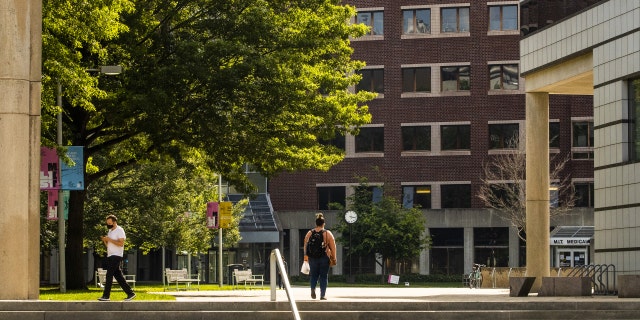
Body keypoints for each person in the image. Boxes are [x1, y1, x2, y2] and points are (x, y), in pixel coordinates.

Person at [98, 214, 136, 301]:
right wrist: (105, 240)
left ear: (114, 222)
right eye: (107, 223)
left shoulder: (120, 230)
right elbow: (108, 245)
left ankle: (106, 296)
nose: (108, 224)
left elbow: (121, 244)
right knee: (119, 276)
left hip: (117, 255)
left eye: (109, 223)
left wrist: (110, 239)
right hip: (110, 255)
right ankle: (130, 293)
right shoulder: (110, 231)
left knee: (109, 275)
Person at [303, 212, 336, 300]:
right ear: (323, 224)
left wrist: (306, 256)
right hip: (324, 257)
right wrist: (334, 257)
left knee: (314, 275)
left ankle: (313, 289)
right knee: (323, 276)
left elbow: (306, 245)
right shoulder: (327, 233)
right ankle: (322, 295)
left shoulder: (309, 233)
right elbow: (333, 247)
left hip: (312, 258)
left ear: (316, 223)